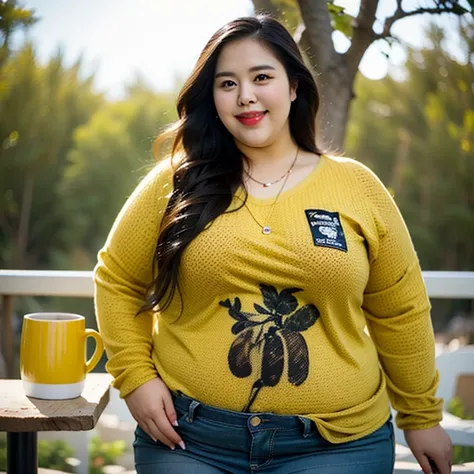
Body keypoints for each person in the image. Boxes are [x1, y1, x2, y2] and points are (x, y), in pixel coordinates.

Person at [94, 15, 453, 474]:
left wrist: (421, 417)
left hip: (337, 445)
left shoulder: (358, 188)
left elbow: (400, 310)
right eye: (227, 83)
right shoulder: (175, 183)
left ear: (294, 87)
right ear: (213, 97)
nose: (246, 95)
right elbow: (117, 280)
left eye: (262, 77)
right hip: (190, 439)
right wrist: (136, 379)